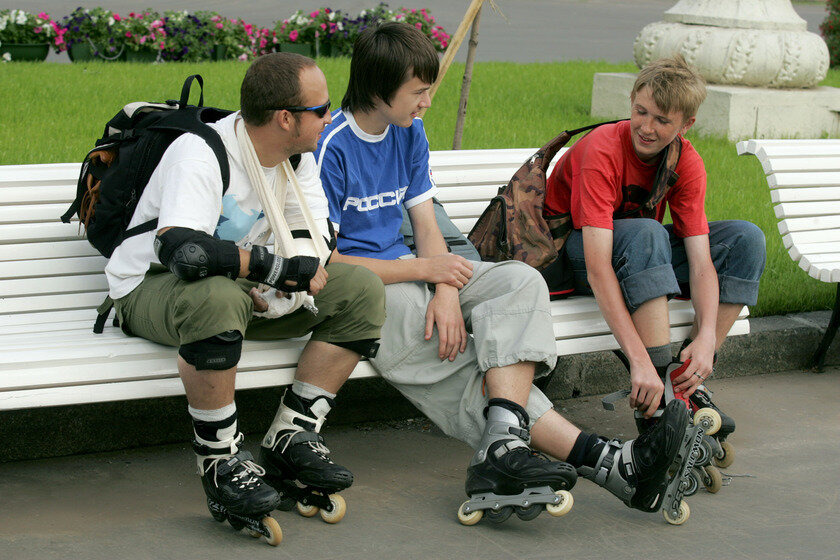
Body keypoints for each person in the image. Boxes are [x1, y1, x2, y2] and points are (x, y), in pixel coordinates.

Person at [316, 21, 692, 522]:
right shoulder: (331, 147)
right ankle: (606, 462)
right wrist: (428, 271)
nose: (428, 102)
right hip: (366, 288)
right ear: (378, 89)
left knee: (519, 281)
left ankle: (503, 444)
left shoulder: (408, 132)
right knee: (462, 362)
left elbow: (425, 223)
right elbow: (324, 262)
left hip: (419, 269)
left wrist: (445, 286)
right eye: (419, 92)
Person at [103, 53, 386, 532]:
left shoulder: (298, 158)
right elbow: (184, 252)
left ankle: (291, 437)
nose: (331, 117)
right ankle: (219, 462)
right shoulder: (203, 152)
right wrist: (271, 270)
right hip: (148, 287)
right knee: (218, 295)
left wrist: (280, 280)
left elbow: (312, 242)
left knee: (361, 290)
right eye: (323, 108)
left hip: (242, 288)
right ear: (285, 118)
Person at [544, 55, 765, 453]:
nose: (646, 127)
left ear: (686, 125)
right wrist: (638, 362)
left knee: (745, 239)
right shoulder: (602, 150)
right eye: (640, 112)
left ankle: (685, 381)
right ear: (631, 101)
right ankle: (660, 407)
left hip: (636, 252)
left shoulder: (687, 162)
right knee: (647, 233)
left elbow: (701, 263)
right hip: (569, 256)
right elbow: (597, 268)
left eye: (662, 120)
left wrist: (706, 340)